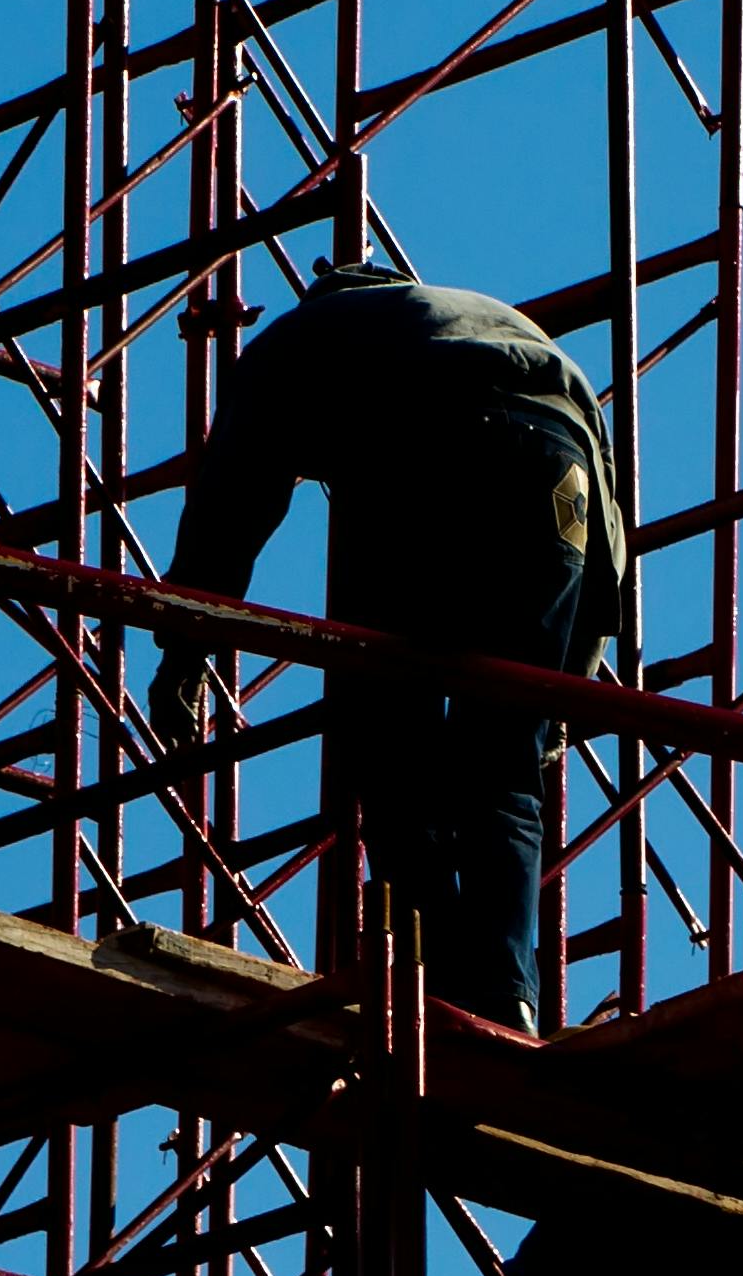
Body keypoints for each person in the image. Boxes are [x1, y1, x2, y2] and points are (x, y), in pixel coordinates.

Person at [146, 257, 632, 1031]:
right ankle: (508, 995)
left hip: (431, 438)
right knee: (505, 760)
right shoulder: (483, 314)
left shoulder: (302, 341)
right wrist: (562, 694)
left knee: (389, 746)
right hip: (559, 462)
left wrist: (183, 650)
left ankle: (433, 992)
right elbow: (605, 543)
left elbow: (230, 506)